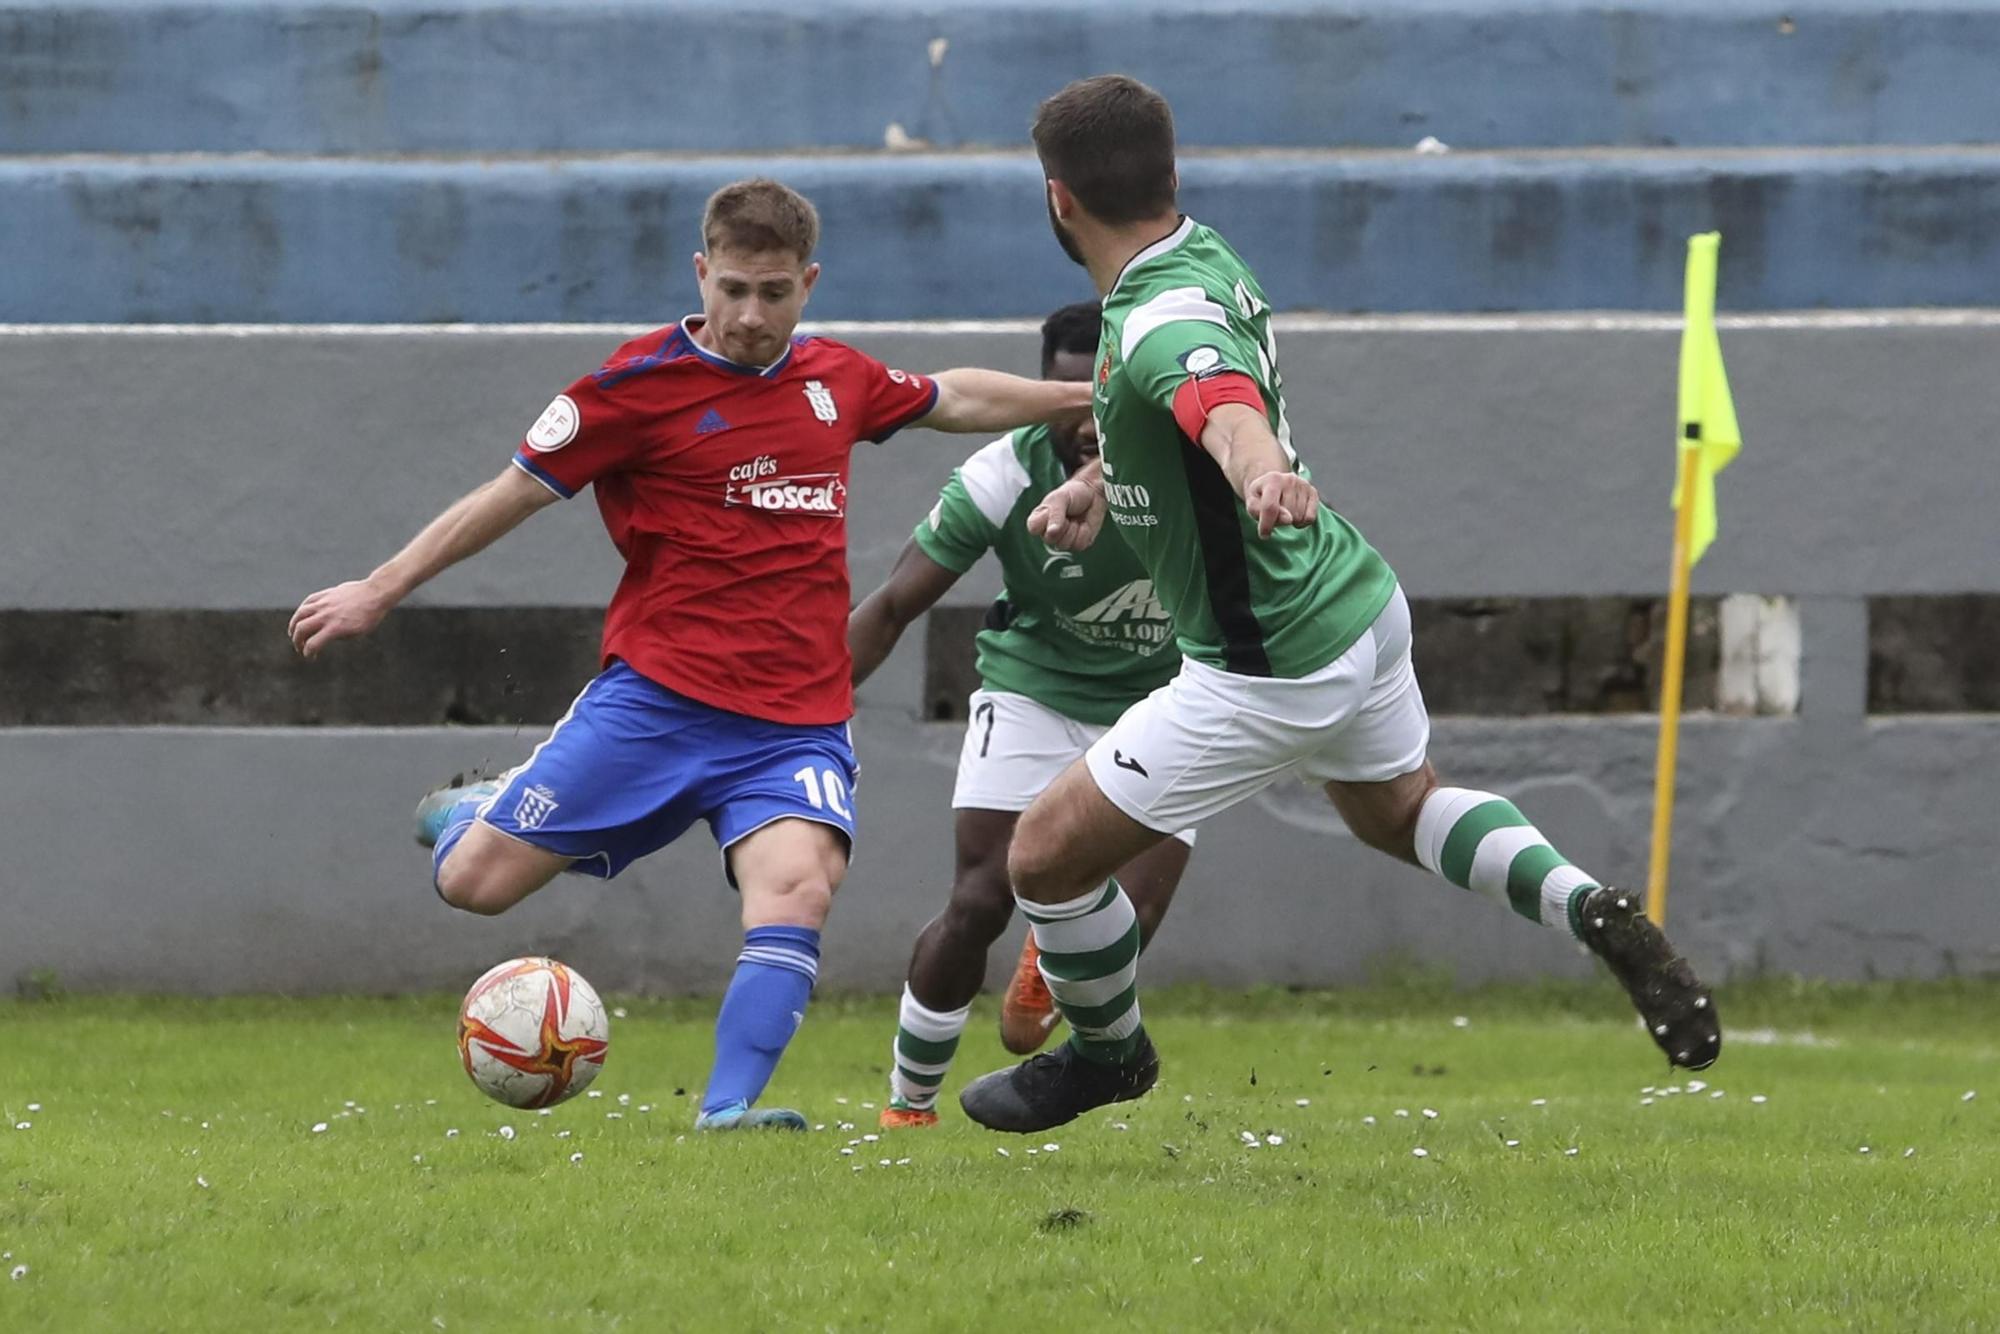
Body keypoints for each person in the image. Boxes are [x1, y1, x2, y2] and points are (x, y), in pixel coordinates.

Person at [958, 77, 1722, 1134]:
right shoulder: (1199, 255)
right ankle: (1586, 902)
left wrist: (1256, 466)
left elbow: (1215, 400)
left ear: (1056, 201)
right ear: (1172, 177)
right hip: (1353, 602)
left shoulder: (1159, 313)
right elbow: (1171, 408)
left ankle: (1105, 1053)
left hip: (1263, 662)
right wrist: (1097, 486)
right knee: (1399, 809)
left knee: (1042, 853)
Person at [286, 178, 1091, 1132]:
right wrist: (381, 587)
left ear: (810, 283)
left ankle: (727, 1111)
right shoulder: (631, 389)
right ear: (702, 274)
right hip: (656, 705)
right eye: (737, 289)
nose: (753, 315)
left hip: (793, 722)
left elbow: (954, 396)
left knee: (799, 885)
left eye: (777, 293)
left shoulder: (836, 381)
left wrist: (1093, 392)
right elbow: (507, 493)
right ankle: (479, 811)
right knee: (476, 888)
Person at [848, 301, 1196, 1130]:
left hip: (1168, 705)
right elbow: (895, 603)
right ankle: (909, 1106)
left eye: (1102, 398)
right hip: (1033, 691)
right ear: (1040, 391)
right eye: (1065, 398)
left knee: (1135, 915)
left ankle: (1056, 953)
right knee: (978, 899)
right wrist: (801, 708)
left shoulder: (1199, 466)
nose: (1085, 420)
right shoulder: (1002, 476)